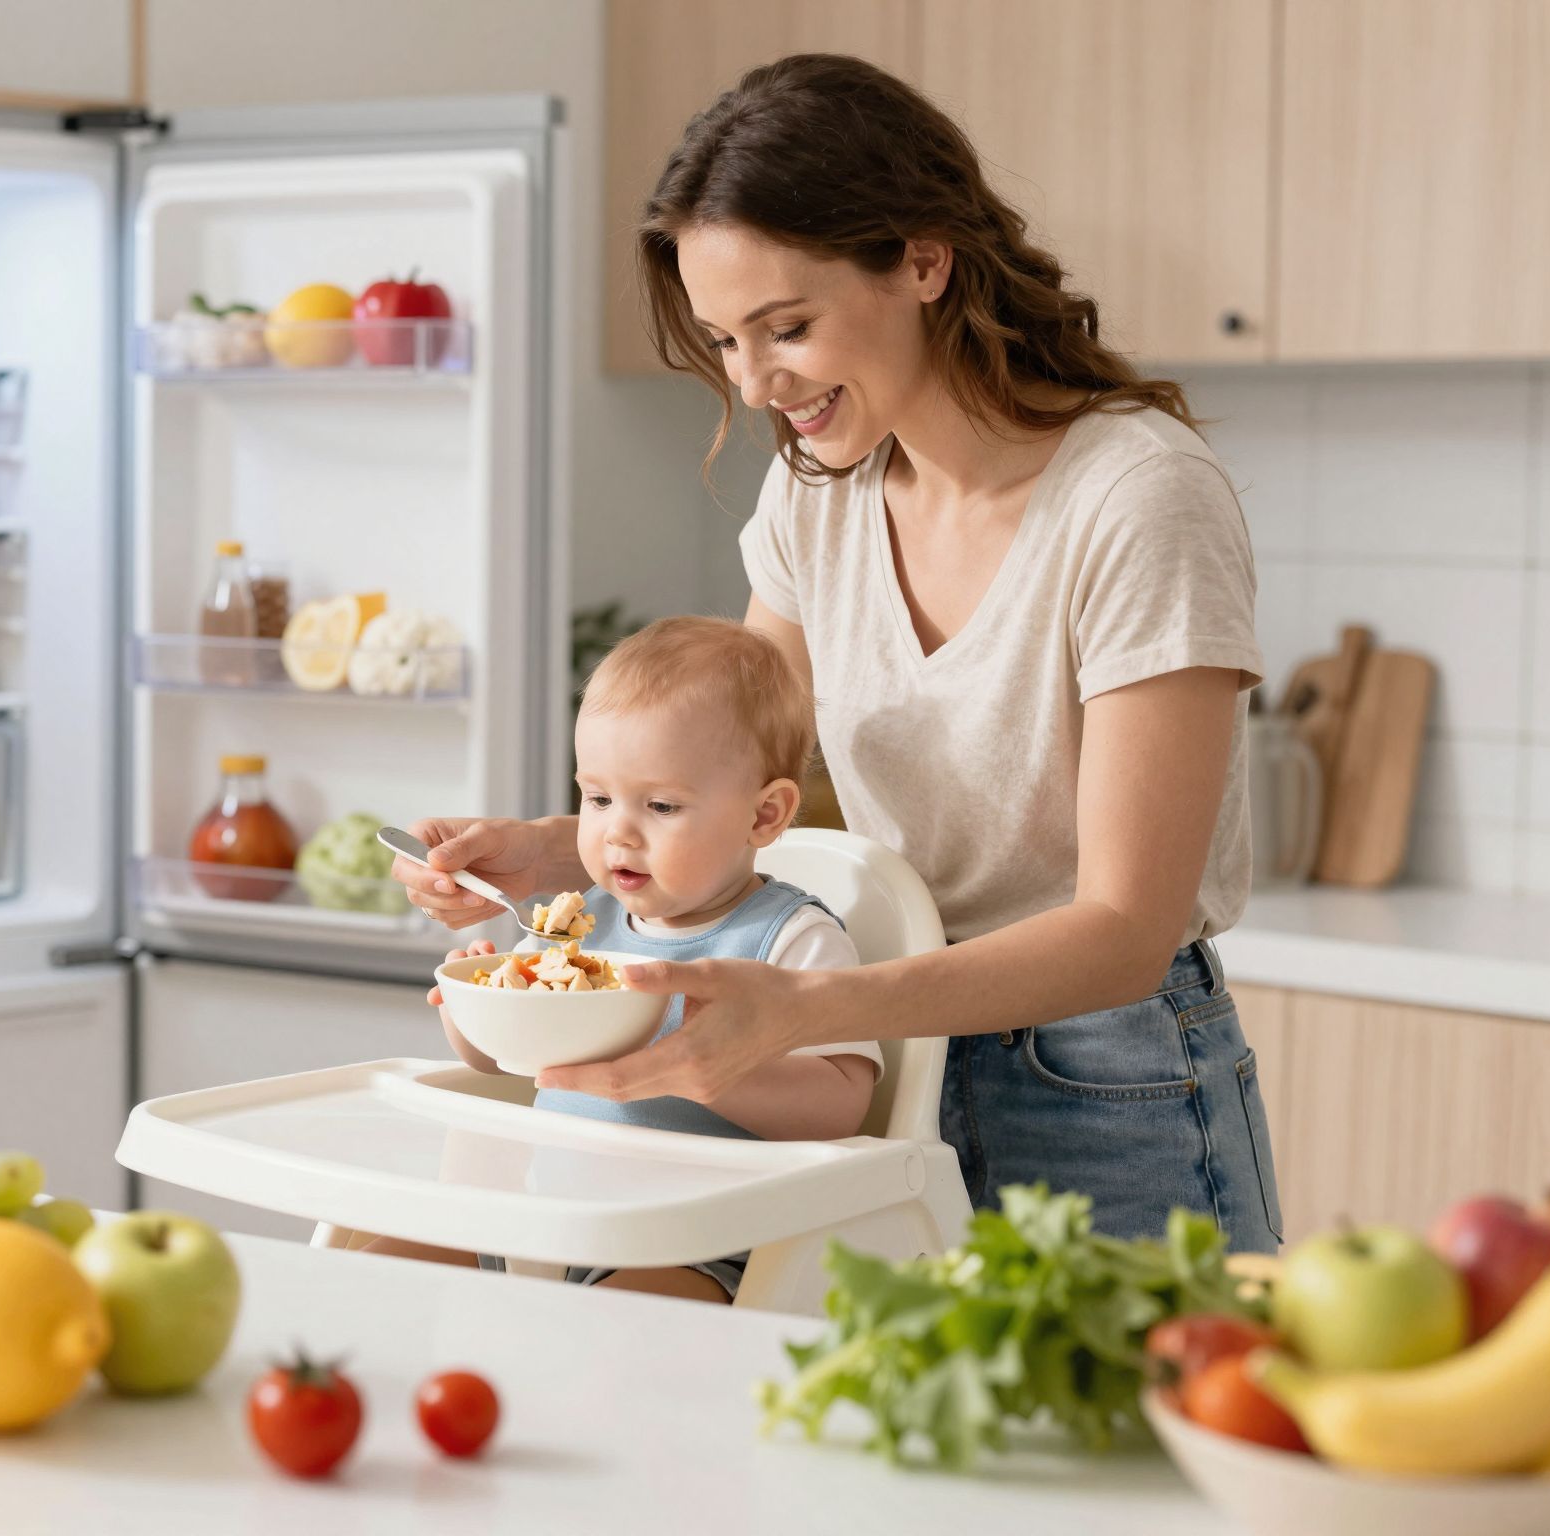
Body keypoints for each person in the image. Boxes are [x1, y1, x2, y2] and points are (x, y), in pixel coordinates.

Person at [395, 53, 1281, 1252]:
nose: (757, 384)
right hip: (873, 1046)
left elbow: (1125, 926)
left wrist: (807, 1004)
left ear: (924, 260)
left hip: (1098, 1076)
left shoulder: (1136, 497)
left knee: (1125, 1433)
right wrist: (556, 851)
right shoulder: (817, 492)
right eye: (723, 341)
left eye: (788, 328)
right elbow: (748, 776)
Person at [367, 617, 885, 1303]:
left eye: (661, 804)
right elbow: (499, 1062)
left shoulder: (791, 939)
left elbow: (841, 1106)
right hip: (536, 1212)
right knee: (378, 1264)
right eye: (599, 797)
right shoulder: (576, 925)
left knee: (628, 1324)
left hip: (696, 1243)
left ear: (764, 817)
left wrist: (702, 1065)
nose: (617, 830)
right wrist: (478, 1009)